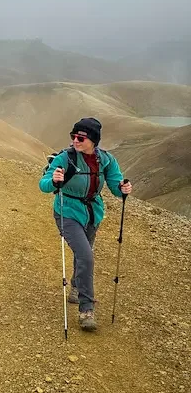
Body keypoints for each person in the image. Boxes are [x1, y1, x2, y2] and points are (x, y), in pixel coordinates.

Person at [39, 117, 132, 332]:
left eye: (80, 137)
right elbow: (43, 185)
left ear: (93, 141)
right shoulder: (65, 158)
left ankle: (76, 287)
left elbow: (116, 186)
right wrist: (54, 180)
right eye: (73, 136)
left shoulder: (106, 161)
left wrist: (123, 189)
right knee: (86, 255)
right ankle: (86, 309)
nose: (75, 141)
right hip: (67, 211)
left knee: (83, 253)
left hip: (93, 214)